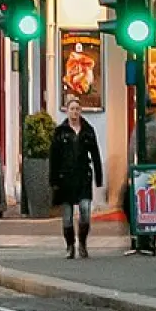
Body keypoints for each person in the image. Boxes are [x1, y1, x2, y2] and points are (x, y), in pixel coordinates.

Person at [51, 96, 103, 260]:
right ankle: (69, 246)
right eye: (72, 109)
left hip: (82, 177)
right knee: (67, 215)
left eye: (77, 109)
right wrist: (53, 180)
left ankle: (82, 243)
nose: (74, 112)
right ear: (67, 111)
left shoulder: (88, 130)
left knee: (85, 210)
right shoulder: (60, 132)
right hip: (65, 178)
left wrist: (98, 177)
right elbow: (54, 157)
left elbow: (95, 154)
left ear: (81, 111)